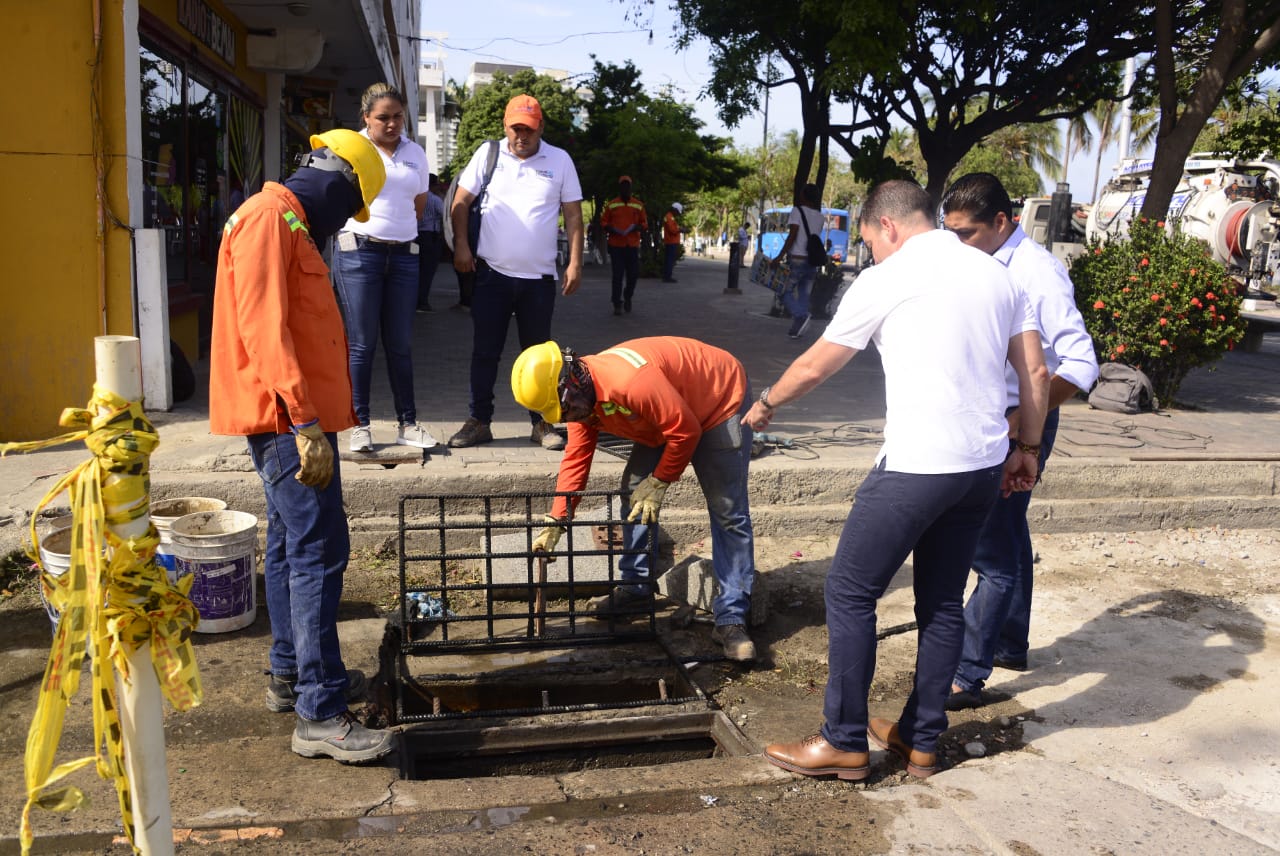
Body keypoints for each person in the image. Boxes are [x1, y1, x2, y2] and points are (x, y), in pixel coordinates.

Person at [746, 179, 1049, 781]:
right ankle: (921, 738)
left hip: (918, 465)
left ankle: (843, 742)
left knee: (850, 592)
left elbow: (817, 363)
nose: (873, 255)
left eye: (870, 242)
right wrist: (1028, 449)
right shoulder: (997, 273)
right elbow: (1035, 371)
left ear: (887, 226)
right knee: (940, 599)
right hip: (982, 466)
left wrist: (765, 404)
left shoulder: (887, 277)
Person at [209, 129, 393, 764]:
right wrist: (306, 420)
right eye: (352, 202)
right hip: (290, 419)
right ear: (334, 174)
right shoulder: (269, 216)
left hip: (293, 416)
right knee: (319, 548)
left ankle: (292, 675)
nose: (346, 218)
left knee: (291, 546)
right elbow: (264, 326)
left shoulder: (283, 220)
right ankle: (319, 711)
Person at [940, 173, 1099, 710]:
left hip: (1016, 420)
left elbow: (1081, 363)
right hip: (987, 415)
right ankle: (1009, 643)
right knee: (1007, 534)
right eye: (951, 232)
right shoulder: (972, 261)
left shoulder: (1037, 272)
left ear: (1003, 223)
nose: (957, 243)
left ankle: (967, 669)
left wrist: (1024, 422)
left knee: (992, 553)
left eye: (968, 232)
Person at [511, 337, 760, 661]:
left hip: (718, 398)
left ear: (572, 381)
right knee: (633, 493)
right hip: (667, 413)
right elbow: (576, 458)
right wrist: (558, 519)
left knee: (728, 511)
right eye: (562, 414)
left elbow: (685, 432)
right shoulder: (583, 401)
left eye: (567, 409)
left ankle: (731, 619)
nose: (568, 417)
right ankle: (636, 588)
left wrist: (660, 480)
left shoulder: (629, 382)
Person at [448, 93, 584, 451]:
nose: (521, 135)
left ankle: (541, 423)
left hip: (538, 279)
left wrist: (574, 262)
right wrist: (461, 245)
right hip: (491, 275)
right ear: (505, 126)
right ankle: (479, 421)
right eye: (515, 128)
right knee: (485, 352)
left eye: (529, 129)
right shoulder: (489, 154)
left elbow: (573, 214)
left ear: (540, 128)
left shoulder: (559, 160)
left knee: (539, 356)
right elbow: (461, 201)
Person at [332, 82, 436, 454]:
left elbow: (418, 205)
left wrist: (397, 235)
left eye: (398, 117)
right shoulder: (350, 149)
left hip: (405, 256)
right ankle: (360, 425)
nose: (392, 124)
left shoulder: (415, 153)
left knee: (401, 345)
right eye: (383, 118)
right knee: (362, 345)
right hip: (359, 254)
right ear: (366, 119)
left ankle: (408, 423)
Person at [770, 183, 824, 340]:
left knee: (783, 291)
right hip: (811, 261)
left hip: (798, 259)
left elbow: (793, 235)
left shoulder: (797, 211)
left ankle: (800, 316)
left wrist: (779, 257)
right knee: (803, 295)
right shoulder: (820, 216)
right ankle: (796, 328)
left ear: (803, 195)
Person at [601, 175, 647, 315]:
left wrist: (636, 227)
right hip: (616, 245)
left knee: (633, 275)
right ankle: (617, 303)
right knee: (617, 276)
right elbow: (603, 222)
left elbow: (644, 223)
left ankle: (627, 296)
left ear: (631, 188)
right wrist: (611, 228)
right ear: (620, 188)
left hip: (632, 245)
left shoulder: (638, 205)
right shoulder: (612, 204)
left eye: (628, 186)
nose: (625, 188)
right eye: (623, 186)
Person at [416, 173, 445, 312]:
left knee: (416, 269)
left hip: (416, 236)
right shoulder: (435, 200)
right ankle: (422, 302)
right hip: (431, 237)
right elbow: (444, 215)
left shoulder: (416, 197)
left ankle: (414, 300)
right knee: (428, 271)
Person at [661, 202, 683, 283]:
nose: (678, 214)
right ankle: (667, 277)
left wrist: (679, 229)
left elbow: (673, 228)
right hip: (671, 242)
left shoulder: (670, 217)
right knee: (670, 260)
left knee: (669, 259)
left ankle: (666, 276)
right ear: (674, 209)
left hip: (671, 241)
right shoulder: (669, 217)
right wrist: (680, 230)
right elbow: (672, 230)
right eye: (677, 212)